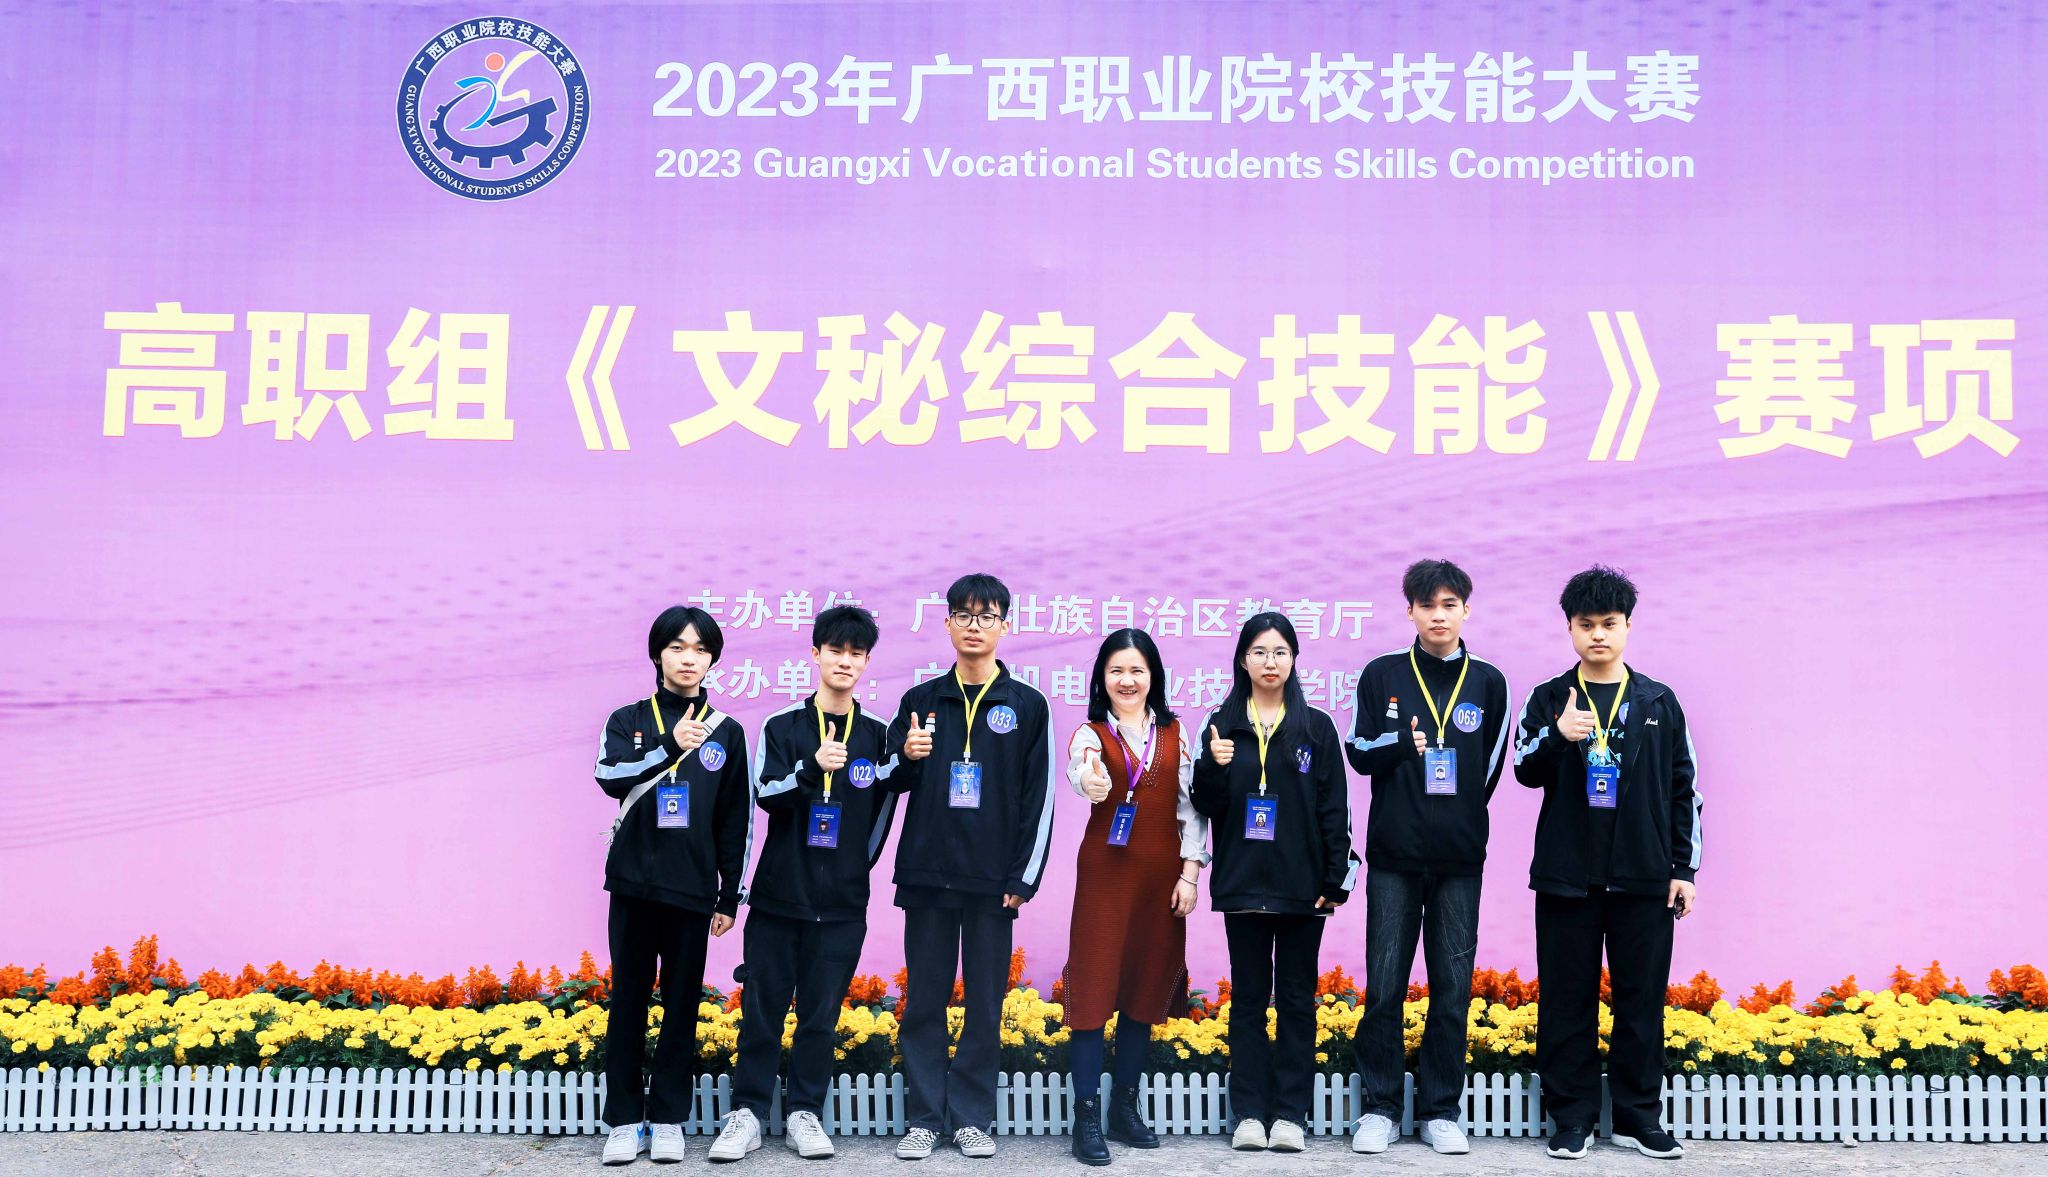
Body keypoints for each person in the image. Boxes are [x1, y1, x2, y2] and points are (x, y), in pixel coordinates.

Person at [1513, 566, 1700, 1161]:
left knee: (1641, 1003)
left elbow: (1684, 789)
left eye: (1609, 624)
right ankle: (1571, 1118)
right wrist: (1558, 735)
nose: (1598, 634)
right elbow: (1522, 769)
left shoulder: (1657, 701)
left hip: (1644, 877)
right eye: (1586, 624)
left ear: (1627, 627)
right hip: (1567, 878)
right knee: (1565, 1001)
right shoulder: (1549, 697)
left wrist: (1683, 870)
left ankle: (1638, 1118)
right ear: (1569, 628)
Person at [710, 606, 902, 1163]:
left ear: (866, 662)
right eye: (835, 650)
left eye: (856, 653)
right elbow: (766, 794)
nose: (845, 661)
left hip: (842, 904)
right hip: (778, 898)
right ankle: (747, 1114)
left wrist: (855, 868)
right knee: (762, 1011)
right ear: (815, 654)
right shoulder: (783, 726)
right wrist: (811, 767)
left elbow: (883, 811)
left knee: (821, 1016)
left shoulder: (877, 734)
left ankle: (804, 1113)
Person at [885, 573, 1055, 1161]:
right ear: (948, 623)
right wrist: (906, 757)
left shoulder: (1027, 705)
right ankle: (924, 1118)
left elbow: (1039, 797)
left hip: (993, 881)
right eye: (964, 614)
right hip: (928, 874)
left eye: (986, 616)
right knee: (924, 1001)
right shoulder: (921, 701)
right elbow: (887, 781)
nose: (974, 625)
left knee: (985, 1004)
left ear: (1005, 625)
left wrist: (1023, 876)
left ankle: (971, 1118)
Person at [1343, 560, 1511, 1156]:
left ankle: (1441, 1110)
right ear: (1409, 611)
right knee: (1385, 985)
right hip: (1394, 856)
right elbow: (1358, 750)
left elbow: (1490, 768)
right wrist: (1399, 744)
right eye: (1427, 605)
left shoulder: (1489, 682)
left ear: (1467, 609)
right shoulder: (1382, 673)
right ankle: (1381, 1108)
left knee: (1452, 988)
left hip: (1460, 860)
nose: (1438, 615)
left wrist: (1457, 817)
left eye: (1449, 605)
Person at [1190, 612, 1357, 1155]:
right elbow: (1204, 806)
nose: (1270, 662)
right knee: (1247, 1002)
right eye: (1259, 652)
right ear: (1243, 659)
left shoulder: (1315, 727)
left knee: (1296, 1002)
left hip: (1302, 887)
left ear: (1294, 660)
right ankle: (1248, 1115)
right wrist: (1213, 766)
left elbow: (1334, 807)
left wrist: (1336, 877)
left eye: (1280, 652)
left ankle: (1289, 1115)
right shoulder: (1220, 724)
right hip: (1243, 886)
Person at [591, 606, 752, 1165]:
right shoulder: (628, 719)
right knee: (628, 1003)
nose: (689, 658)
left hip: (692, 891)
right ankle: (623, 1121)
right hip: (634, 886)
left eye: (701, 650)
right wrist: (668, 745)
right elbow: (608, 776)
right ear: (658, 654)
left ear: (712, 660)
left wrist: (729, 894)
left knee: (682, 1006)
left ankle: (667, 1120)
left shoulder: (727, 731)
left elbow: (735, 819)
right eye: (678, 647)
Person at [1061, 628, 1209, 1165]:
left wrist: (1189, 874)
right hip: (1105, 876)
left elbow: (1191, 808)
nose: (1127, 680)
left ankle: (1124, 1108)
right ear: (1102, 678)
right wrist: (1092, 782)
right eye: (1116, 671)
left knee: (1145, 987)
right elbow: (1081, 772)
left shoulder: (1175, 732)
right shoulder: (1090, 733)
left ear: (1153, 677)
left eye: (1137, 671)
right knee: (1094, 990)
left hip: (1160, 878)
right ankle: (1085, 1118)